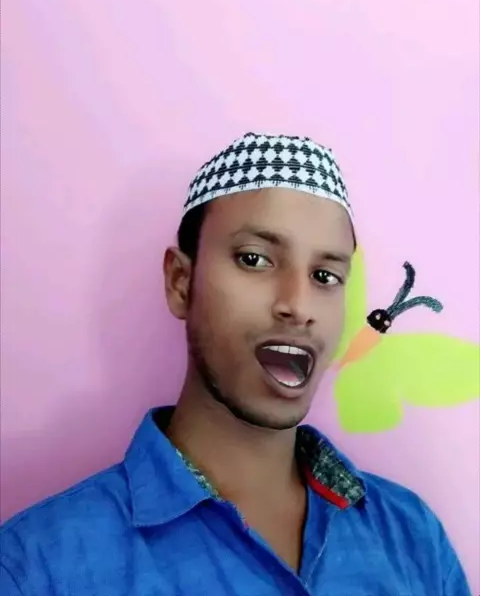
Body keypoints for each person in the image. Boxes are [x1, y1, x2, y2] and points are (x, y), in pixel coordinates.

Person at [0, 132, 471, 595]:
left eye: (325, 276)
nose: (298, 305)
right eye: (255, 259)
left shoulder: (413, 539)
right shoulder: (36, 567)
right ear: (181, 282)